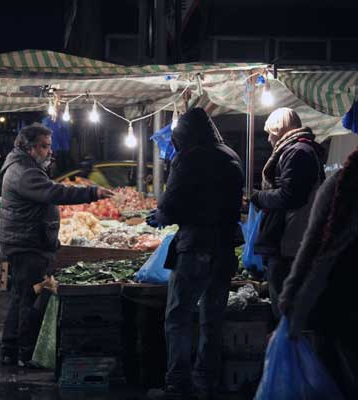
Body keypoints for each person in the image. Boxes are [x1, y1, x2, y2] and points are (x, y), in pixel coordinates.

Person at [146, 108, 244, 400]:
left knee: (178, 316)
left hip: (196, 246)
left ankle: (177, 384)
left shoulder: (189, 158)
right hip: (225, 247)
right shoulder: (232, 156)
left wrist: (160, 215)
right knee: (212, 319)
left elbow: (172, 203)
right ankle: (206, 384)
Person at [0, 123, 113, 368]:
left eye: (49, 146)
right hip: (28, 244)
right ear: (29, 148)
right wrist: (92, 192)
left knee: (21, 297)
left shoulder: (22, 166)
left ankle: (11, 350)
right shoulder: (25, 172)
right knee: (29, 301)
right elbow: (55, 193)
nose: (50, 151)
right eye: (44, 146)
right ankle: (24, 353)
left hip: (25, 241)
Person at [278, 148, 358, 398]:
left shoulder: (341, 183)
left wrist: (291, 297)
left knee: (335, 374)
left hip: (337, 298)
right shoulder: (339, 183)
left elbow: (313, 246)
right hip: (338, 302)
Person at [250, 108, 324, 320]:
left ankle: (290, 351)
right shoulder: (299, 150)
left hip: (290, 241)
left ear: (279, 129)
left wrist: (258, 197)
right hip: (292, 240)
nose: (269, 138)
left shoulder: (297, 152)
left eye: (270, 132)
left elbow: (291, 196)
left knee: (286, 311)